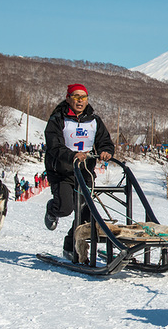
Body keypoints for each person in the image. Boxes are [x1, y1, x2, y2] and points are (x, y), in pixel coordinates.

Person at [43, 84, 115, 259]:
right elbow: (54, 146)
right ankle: (52, 211)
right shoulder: (57, 119)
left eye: (83, 97)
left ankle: (70, 246)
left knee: (85, 214)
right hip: (62, 172)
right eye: (76, 97)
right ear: (68, 98)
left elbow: (105, 141)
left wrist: (106, 151)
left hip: (85, 173)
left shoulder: (94, 120)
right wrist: (72, 155)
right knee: (66, 208)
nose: (80, 100)